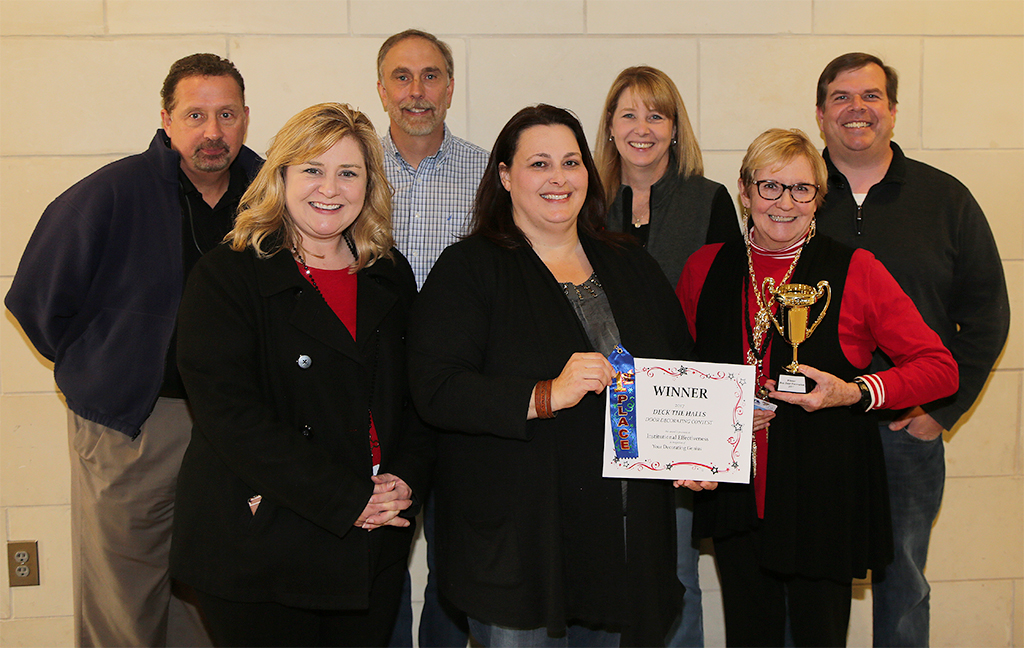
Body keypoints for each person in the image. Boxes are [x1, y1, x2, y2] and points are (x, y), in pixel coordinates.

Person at [408, 104, 688, 647]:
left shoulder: (631, 263)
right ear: (506, 177)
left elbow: (678, 369)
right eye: (539, 164)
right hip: (520, 541)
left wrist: (700, 445)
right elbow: (437, 390)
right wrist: (544, 395)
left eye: (571, 162)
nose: (559, 178)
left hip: (619, 538)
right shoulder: (468, 269)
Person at [5, 53, 260, 647]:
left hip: (236, 431)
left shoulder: (272, 195)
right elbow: (36, 299)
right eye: (195, 115)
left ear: (246, 118)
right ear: (166, 120)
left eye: (226, 114)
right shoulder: (113, 193)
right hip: (136, 426)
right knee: (125, 598)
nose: (213, 132)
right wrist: (104, 370)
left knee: (212, 594)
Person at [675, 128, 959, 647]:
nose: (784, 203)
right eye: (769, 186)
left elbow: (939, 367)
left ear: (818, 196)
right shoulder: (705, 267)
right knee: (748, 634)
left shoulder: (856, 270)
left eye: (801, 189)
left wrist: (854, 392)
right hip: (737, 491)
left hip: (823, 489)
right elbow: (682, 373)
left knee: (818, 635)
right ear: (744, 190)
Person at [169, 103, 432, 647]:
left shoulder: (389, 272)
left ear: (370, 185)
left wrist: (405, 479)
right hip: (265, 541)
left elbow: (420, 396)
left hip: (371, 540)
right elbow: (230, 417)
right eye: (312, 169)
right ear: (281, 175)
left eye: (349, 172)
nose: (329, 188)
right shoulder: (229, 274)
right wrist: (347, 498)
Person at [812, 52, 1010, 648]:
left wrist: (944, 409)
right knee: (814, 579)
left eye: (871, 96)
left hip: (906, 431)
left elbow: (987, 313)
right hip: (816, 427)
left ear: (893, 111)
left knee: (903, 584)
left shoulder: (945, 199)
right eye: (841, 97)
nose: (857, 109)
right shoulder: (794, 196)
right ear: (820, 114)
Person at [596, 65, 741, 647]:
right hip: (600, 404)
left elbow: (725, 310)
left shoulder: (709, 200)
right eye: (628, 113)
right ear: (609, 126)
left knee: (676, 568)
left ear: (676, 127)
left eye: (656, 114)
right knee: (604, 565)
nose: (642, 127)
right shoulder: (582, 199)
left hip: (684, 412)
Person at [375, 28, 489, 648]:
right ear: (381, 88)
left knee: (458, 563)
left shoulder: (487, 174)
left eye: (430, 76)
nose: (416, 91)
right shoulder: (352, 170)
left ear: (450, 86)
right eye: (401, 76)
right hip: (378, 394)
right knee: (379, 557)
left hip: (459, 392)